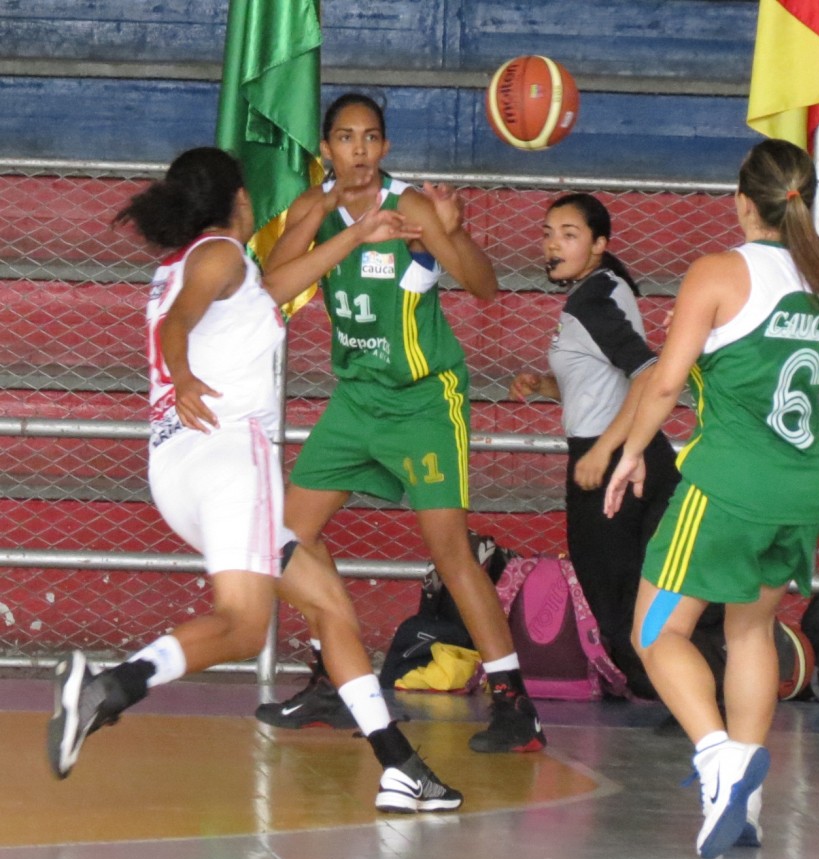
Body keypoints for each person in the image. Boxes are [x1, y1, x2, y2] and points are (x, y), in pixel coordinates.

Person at [46, 146, 462, 813]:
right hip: (228, 458)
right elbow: (180, 323)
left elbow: (272, 289)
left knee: (328, 602)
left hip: (178, 471)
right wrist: (182, 375)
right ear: (238, 200)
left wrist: (356, 231)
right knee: (243, 627)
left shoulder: (204, 267)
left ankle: (400, 766)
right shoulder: (218, 254)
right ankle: (106, 688)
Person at [256, 92, 545, 753]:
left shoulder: (409, 206)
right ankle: (336, 677)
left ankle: (514, 704)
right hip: (358, 398)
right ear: (326, 148)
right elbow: (271, 286)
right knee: (287, 534)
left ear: (384, 149)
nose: (359, 149)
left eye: (371, 137)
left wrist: (455, 232)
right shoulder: (314, 208)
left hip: (422, 400)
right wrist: (324, 209)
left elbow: (484, 285)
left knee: (449, 551)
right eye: (345, 138)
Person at [604, 138, 819, 859]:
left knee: (655, 630)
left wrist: (628, 455)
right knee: (750, 632)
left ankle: (719, 761)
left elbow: (666, 380)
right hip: (801, 486)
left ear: (743, 200)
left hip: (730, 485)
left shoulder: (719, 271)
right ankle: (747, 804)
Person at [508, 193, 680, 700]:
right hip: (640, 455)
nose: (552, 244)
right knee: (639, 596)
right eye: (547, 232)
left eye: (569, 234)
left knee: (615, 605)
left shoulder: (593, 299)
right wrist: (545, 385)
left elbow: (650, 376)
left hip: (617, 466)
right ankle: (682, 694)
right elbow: (608, 382)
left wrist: (604, 452)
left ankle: (679, 695)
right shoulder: (606, 288)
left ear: (600, 245)